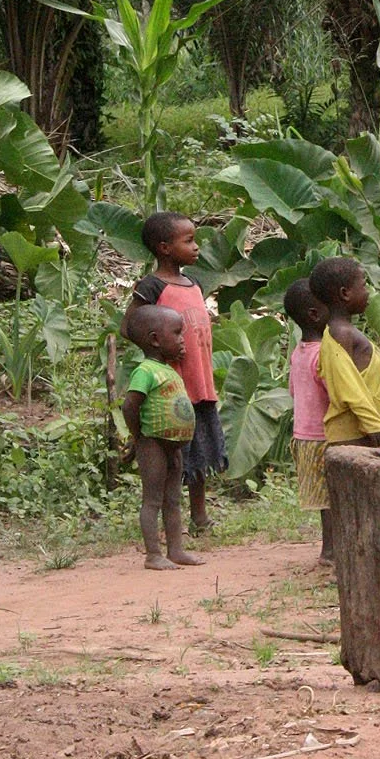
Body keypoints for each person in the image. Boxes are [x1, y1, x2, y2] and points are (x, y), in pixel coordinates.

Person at [127, 212, 226, 536]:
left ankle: (200, 515)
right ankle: (172, 519)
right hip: (170, 388)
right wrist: (160, 354)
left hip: (199, 381)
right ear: (164, 247)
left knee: (198, 451)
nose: (196, 247)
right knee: (174, 454)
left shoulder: (194, 283)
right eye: (189, 241)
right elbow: (129, 326)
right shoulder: (151, 286)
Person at [120, 304, 202, 570]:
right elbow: (130, 405)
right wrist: (139, 437)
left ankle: (176, 550)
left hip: (172, 446)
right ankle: (153, 554)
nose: (182, 339)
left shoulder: (168, 369)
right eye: (177, 333)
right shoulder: (145, 371)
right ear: (155, 340)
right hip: (153, 443)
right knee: (153, 499)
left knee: (173, 499)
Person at [310, 257, 380, 452]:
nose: (367, 292)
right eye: (364, 285)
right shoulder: (340, 332)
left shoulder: (344, 330)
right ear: (345, 293)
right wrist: (373, 424)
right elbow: (346, 383)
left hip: (361, 434)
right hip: (353, 435)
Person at [285, 277, 332, 562]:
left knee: (325, 501)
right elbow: (334, 394)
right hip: (325, 436)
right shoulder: (323, 355)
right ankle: (333, 550)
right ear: (315, 314)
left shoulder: (298, 353)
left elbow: (293, 389)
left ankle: (328, 547)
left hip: (303, 435)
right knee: (334, 497)